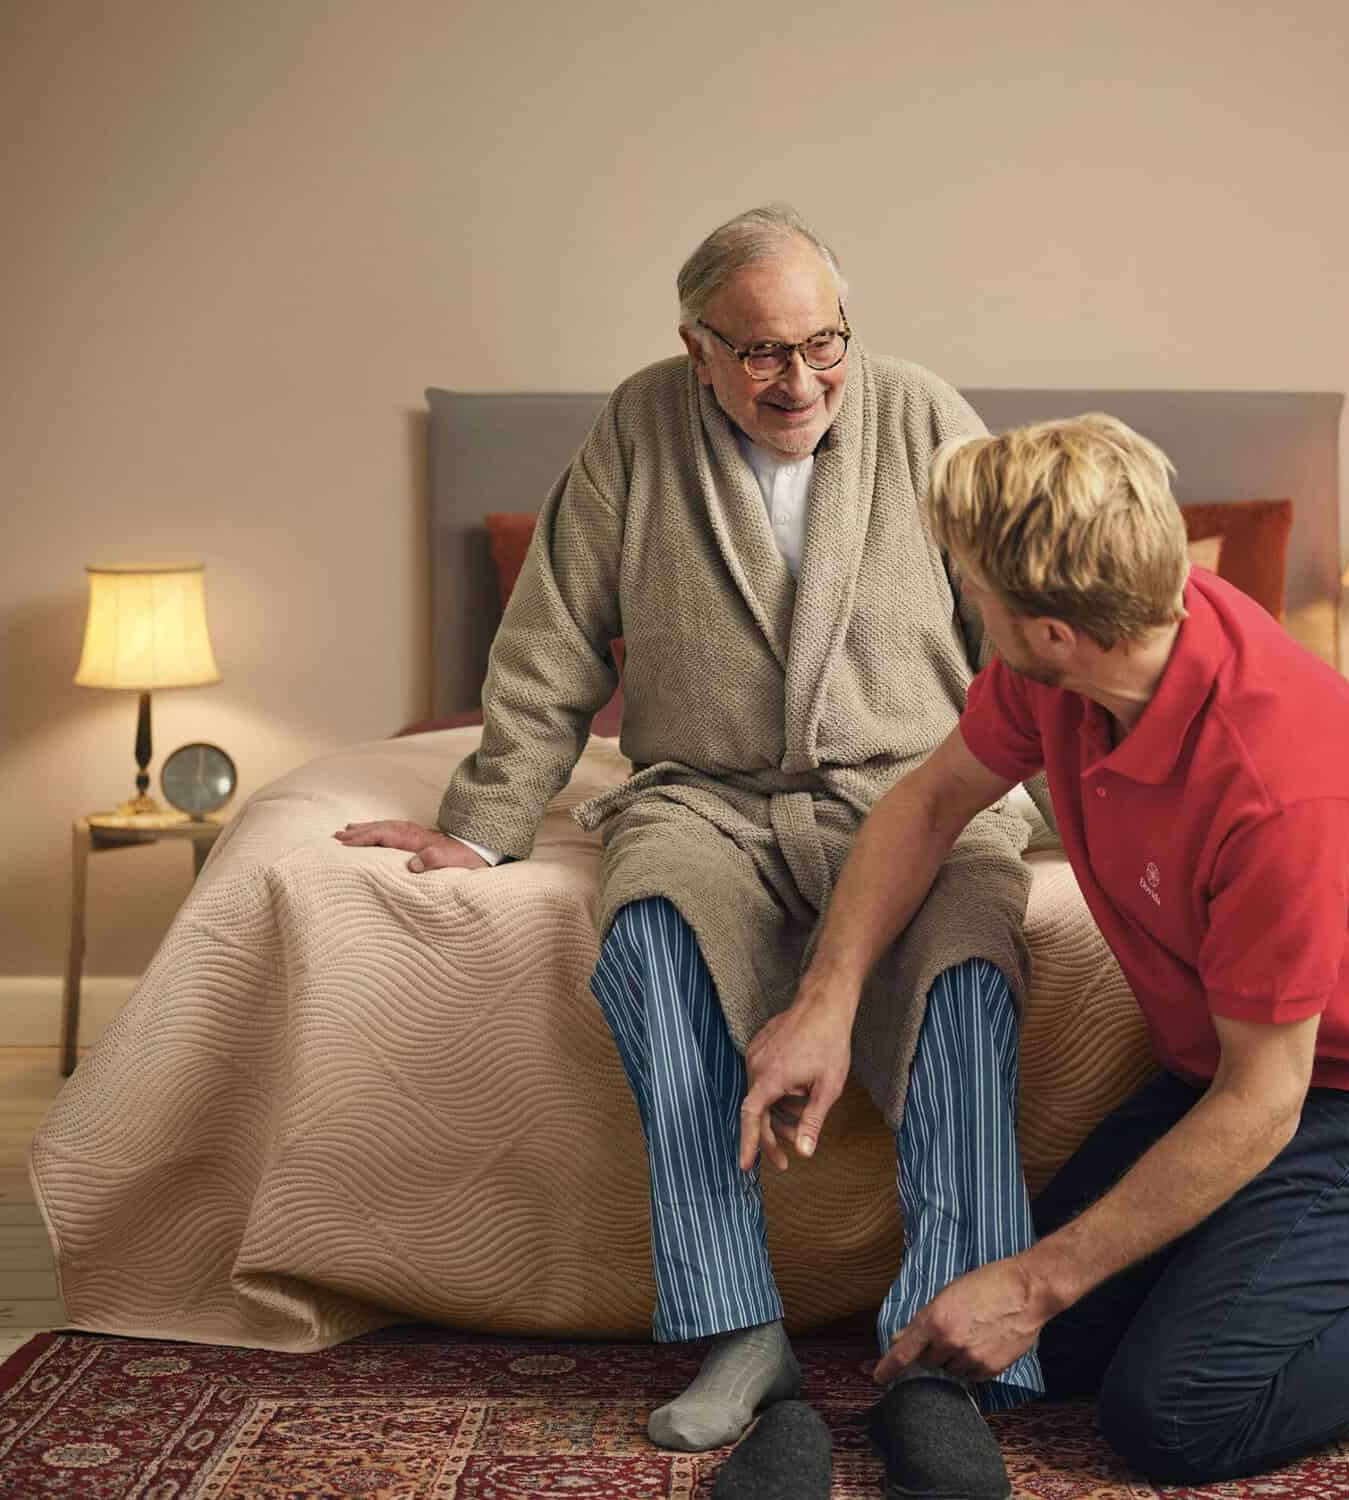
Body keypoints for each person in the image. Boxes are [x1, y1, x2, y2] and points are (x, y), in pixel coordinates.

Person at [740, 414, 1349, 1486]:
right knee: (1044, 1355)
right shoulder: (1070, 664)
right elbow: (926, 805)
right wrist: (825, 1005)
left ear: (1057, 628)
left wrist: (1030, 1281)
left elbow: (1265, 1102)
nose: (966, 601)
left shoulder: (1278, 789)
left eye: (970, 584)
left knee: (1173, 1414)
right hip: (1230, 1069)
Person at [334, 205, 1041, 1496]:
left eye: (824, 343)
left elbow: (1025, 640)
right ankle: (737, 1328)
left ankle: (947, 1354)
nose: (801, 380)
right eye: (763, 352)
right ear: (697, 346)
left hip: (917, 787)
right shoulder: (635, 430)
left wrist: (1068, 812)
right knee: (649, 935)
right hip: (704, 796)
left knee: (966, 970)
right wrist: (480, 829)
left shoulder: (929, 419)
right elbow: (549, 644)